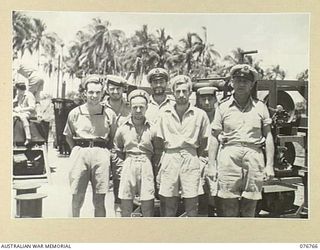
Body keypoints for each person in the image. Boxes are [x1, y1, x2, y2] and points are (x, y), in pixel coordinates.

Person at [210, 64, 275, 217]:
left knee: (250, 205)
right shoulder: (223, 107)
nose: (241, 84)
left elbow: (269, 136)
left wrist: (270, 165)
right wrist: (212, 166)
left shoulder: (260, 107)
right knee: (228, 205)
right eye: (237, 80)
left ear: (252, 84)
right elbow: (214, 136)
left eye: (245, 81)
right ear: (232, 82)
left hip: (254, 157)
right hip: (229, 157)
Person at [156, 75, 212, 217]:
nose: (181, 95)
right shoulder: (164, 114)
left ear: (190, 93)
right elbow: (159, 143)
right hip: (170, 157)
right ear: (173, 93)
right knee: (169, 202)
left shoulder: (200, 115)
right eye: (178, 91)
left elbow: (204, 142)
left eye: (184, 91)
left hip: (191, 157)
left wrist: (198, 161)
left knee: (192, 203)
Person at [63, 74, 117, 217]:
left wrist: (104, 153)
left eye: (98, 92)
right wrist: (77, 149)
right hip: (80, 152)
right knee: (77, 197)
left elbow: (112, 137)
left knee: (99, 199)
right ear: (85, 93)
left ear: (103, 94)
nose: (94, 95)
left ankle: (98, 232)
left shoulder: (109, 114)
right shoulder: (75, 113)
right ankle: (72, 231)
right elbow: (68, 136)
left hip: (101, 153)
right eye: (91, 92)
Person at [115, 89, 162, 217]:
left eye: (141, 107)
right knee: (126, 202)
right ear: (130, 107)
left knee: (147, 203)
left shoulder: (153, 129)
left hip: (146, 164)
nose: (138, 110)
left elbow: (157, 152)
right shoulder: (122, 128)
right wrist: (122, 167)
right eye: (134, 107)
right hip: (128, 162)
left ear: (146, 108)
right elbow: (118, 149)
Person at [101, 75, 131, 214]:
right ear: (107, 89)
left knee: (122, 186)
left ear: (123, 90)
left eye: (118, 89)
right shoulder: (100, 107)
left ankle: (119, 214)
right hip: (105, 151)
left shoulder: (130, 107)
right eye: (112, 89)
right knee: (100, 188)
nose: (115, 92)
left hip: (124, 152)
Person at [196, 87, 218, 216]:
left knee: (216, 193)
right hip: (200, 157)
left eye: (209, 99)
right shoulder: (196, 115)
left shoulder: (220, 115)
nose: (207, 102)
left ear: (215, 99)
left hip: (216, 158)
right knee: (199, 192)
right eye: (203, 99)